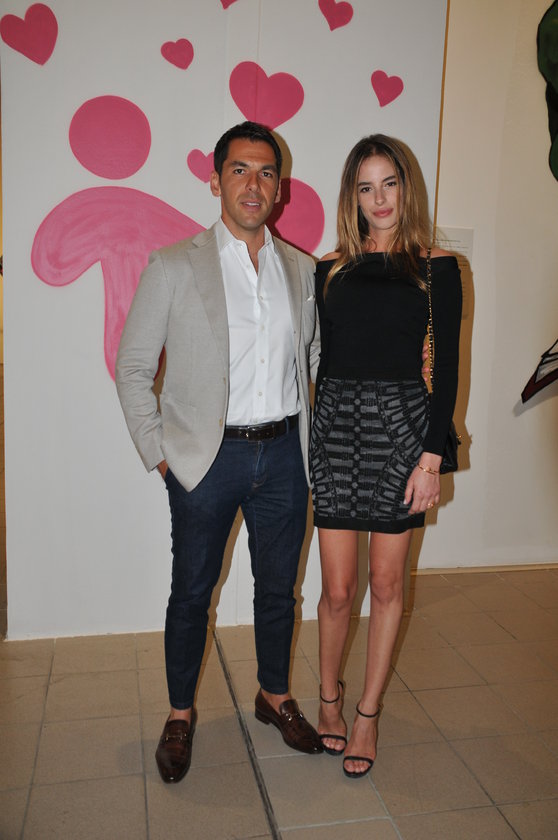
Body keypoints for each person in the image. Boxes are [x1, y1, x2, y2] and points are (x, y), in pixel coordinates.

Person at [115, 121, 322, 785]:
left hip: (284, 456)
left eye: (266, 172)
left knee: (279, 590)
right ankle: (180, 714)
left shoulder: (302, 270)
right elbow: (133, 366)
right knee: (192, 593)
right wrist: (161, 455)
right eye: (239, 170)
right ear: (215, 181)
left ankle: (274, 695)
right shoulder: (174, 266)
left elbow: (314, 359)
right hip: (207, 461)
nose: (253, 184)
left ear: (280, 188)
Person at [309, 134, 462, 779]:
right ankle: (328, 699)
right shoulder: (330, 268)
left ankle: (367, 713)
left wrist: (431, 460)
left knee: (387, 583)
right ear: (353, 195)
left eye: (389, 184)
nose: (379, 199)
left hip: (402, 432)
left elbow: (446, 371)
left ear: (406, 188)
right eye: (366, 187)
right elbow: (323, 359)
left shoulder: (437, 267)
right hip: (336, 429)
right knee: (337, 589)